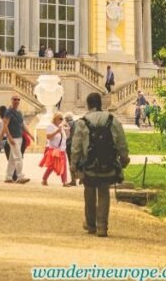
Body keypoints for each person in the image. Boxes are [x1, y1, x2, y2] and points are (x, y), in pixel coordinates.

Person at [70, 92, 129, 237]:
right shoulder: (112, 120)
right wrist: (124, 158)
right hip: (107, 162)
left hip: (89, 164)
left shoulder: (82, 122)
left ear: (88, 105)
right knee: (104, 192)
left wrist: (73, 164)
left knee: (89, 193)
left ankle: (91, 224)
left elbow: (76, 146)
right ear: (100, 104)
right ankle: (102, 226)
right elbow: (121, 141)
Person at [1, 95, 30, 184]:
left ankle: (8, 177)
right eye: (14, 99)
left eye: (18, 99)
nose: (16, 101)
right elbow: (5, 125)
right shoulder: (8, 112)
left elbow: (22, 126)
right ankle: (20, 176)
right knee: (18, 157)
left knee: (12, 159)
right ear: (11, 100)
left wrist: (30, 135)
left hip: (19, 137)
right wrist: (9, 137)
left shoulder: (19, 113)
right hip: (13, 138)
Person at [40, 112, 70, 187]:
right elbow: (48, 137)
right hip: (54, 150)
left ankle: (64, 182)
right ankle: (44, 179)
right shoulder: (51, 126)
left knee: (63, 165)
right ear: (55, 118)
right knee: (52, 166)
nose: (61, 120)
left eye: (62, 119)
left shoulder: (60, 127)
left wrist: (67, 132)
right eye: (60, 118)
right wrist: (56, 131)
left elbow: (64, 138)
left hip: (62, 150)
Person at [64, 114, 79, 186]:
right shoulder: (76, 123)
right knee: (77, 161)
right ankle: (81, 177)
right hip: (76, 144)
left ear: (66, 118)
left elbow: (66, 132)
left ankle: (73, 180)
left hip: (69, 144)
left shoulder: (68, 124)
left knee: (71, 162)